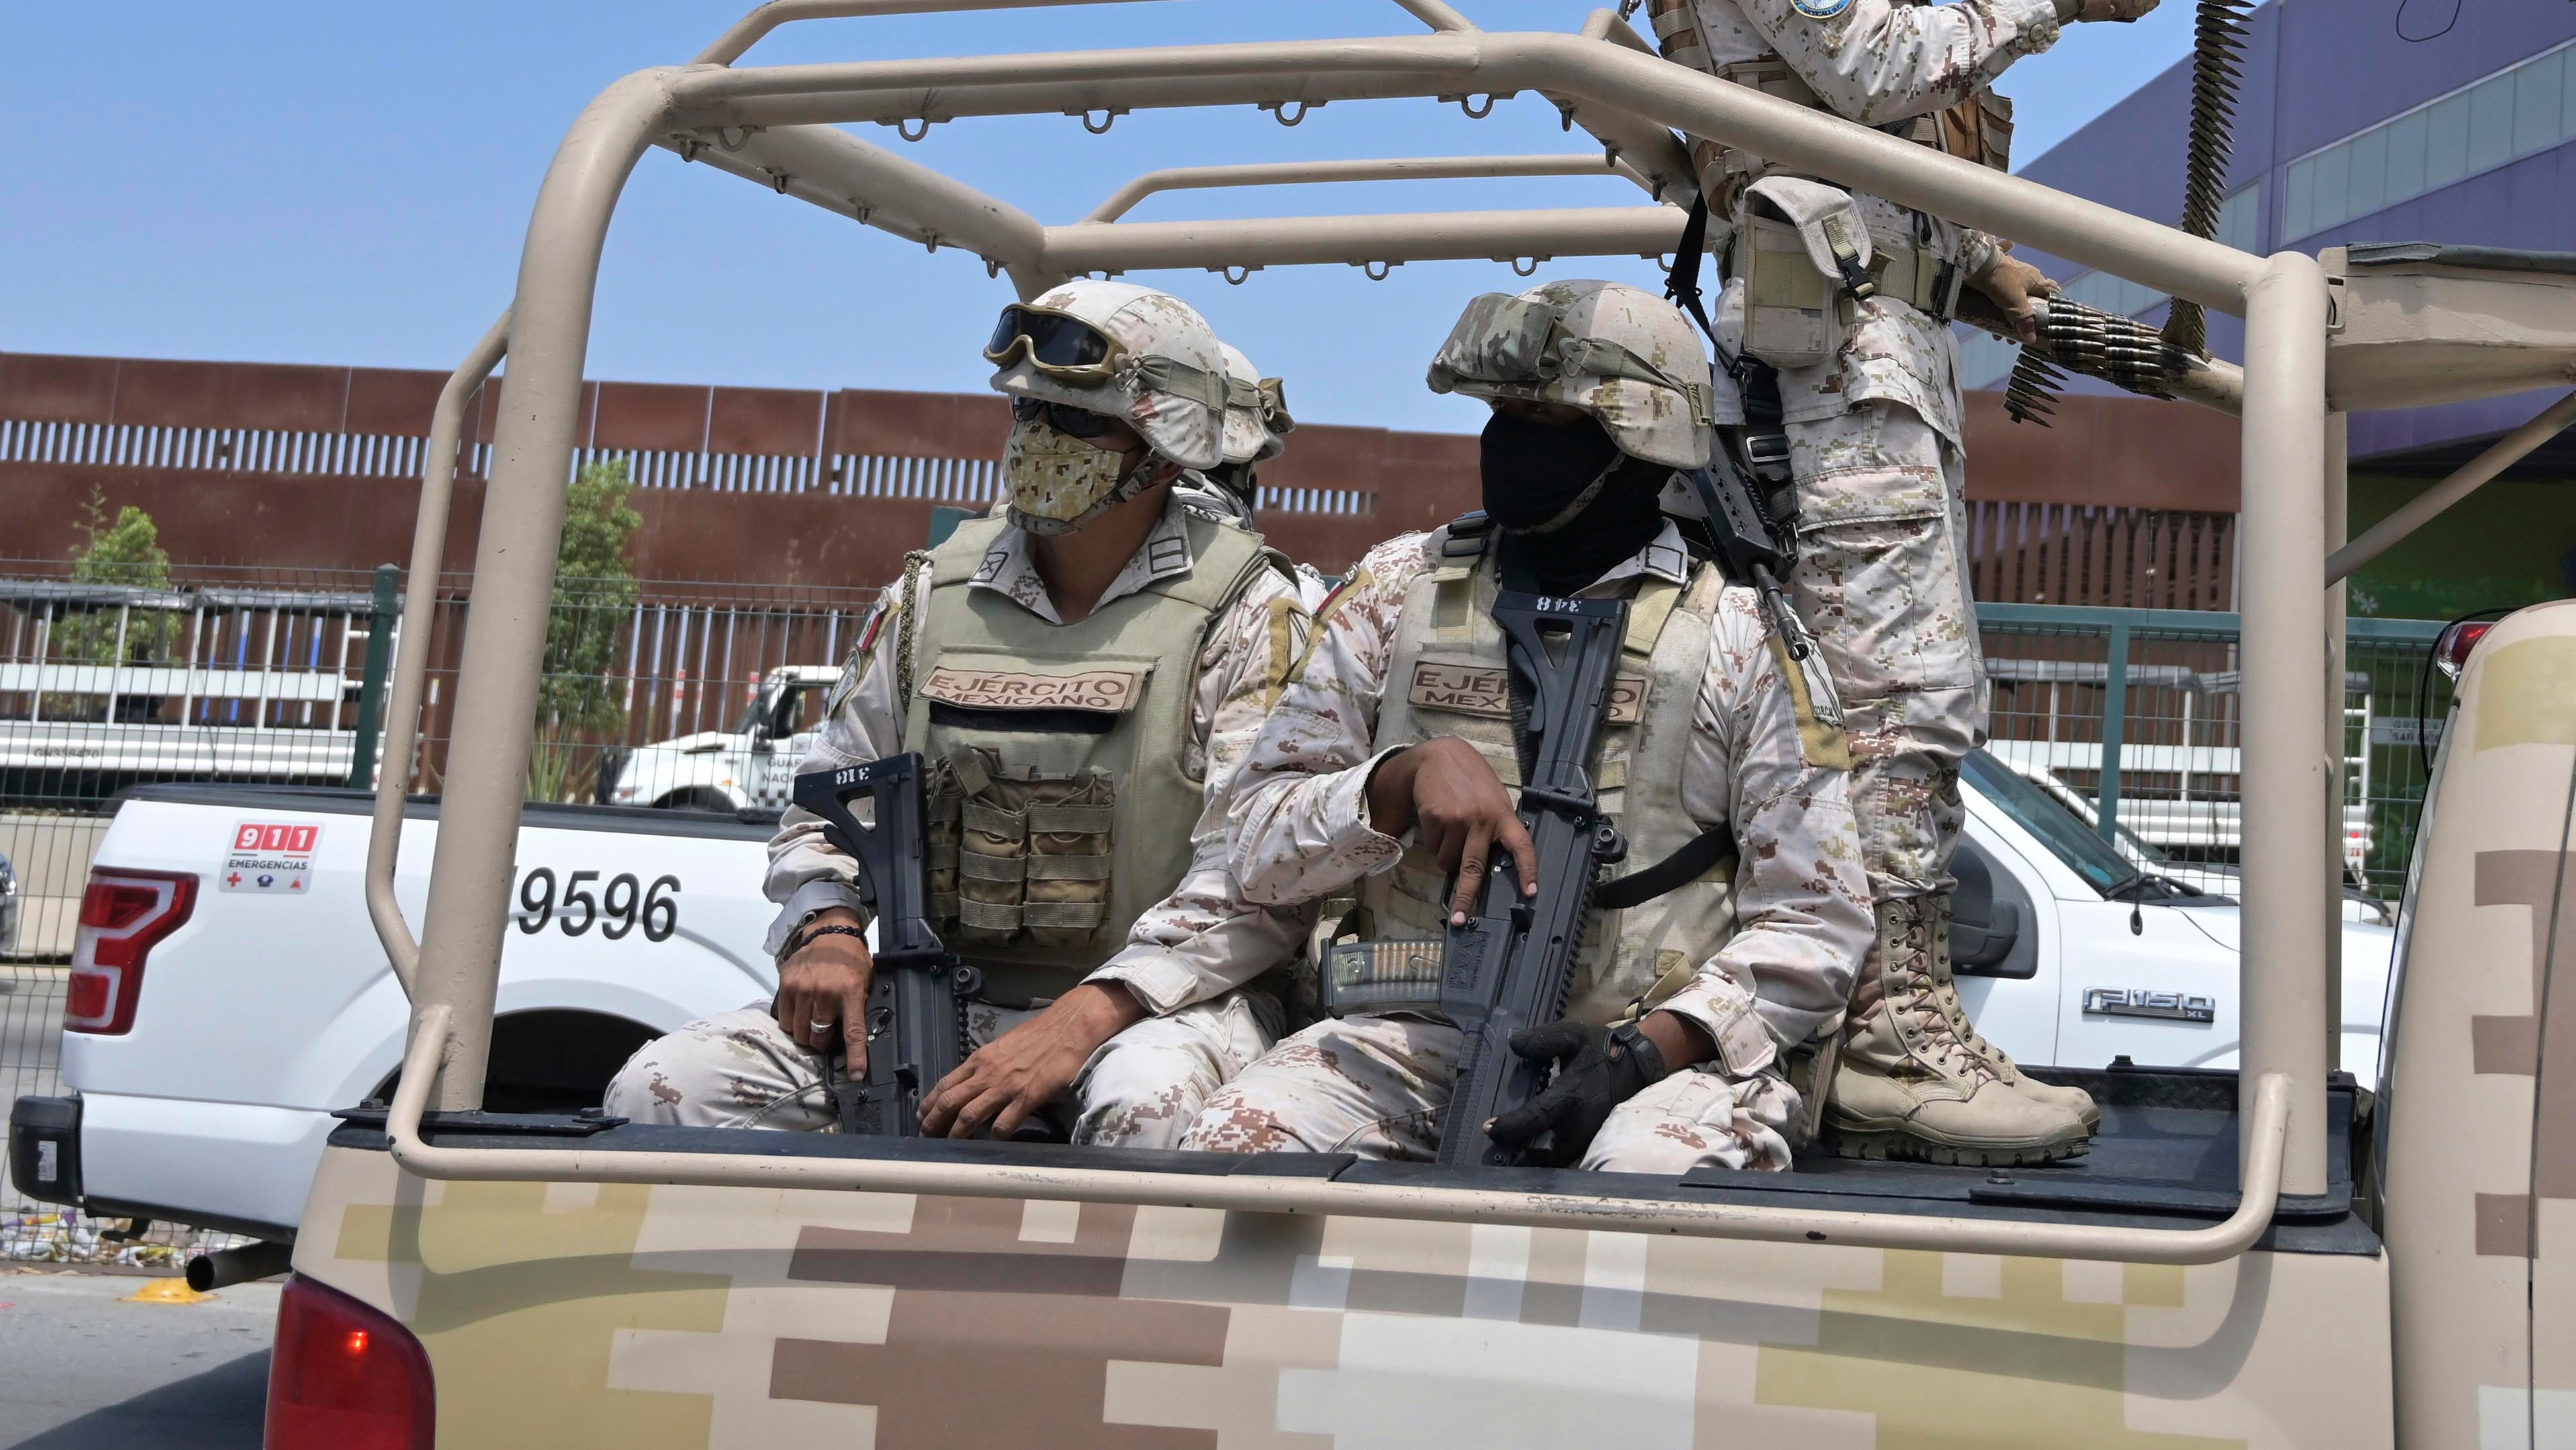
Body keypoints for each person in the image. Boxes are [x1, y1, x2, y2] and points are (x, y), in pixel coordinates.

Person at [1632, 0, 2185, 1163]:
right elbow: (1876, 74)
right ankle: (1892, 1030)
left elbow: (1863, 144)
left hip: (1882, 344)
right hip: (1834, 366)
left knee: (1894, 695)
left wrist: (1989, 273)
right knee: (1895, 703)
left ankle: (1857, 1012)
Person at [602, 283, 1325, 1144]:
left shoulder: (1251, 610)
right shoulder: (930, 594)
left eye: (1078, 422)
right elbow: (824, 807)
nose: (1040, 442)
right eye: (1028, 414)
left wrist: (1087, 1015)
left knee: (1149, 1109)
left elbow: (1261, 876)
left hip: (1160, 1008)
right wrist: (827, 927)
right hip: (935, 997)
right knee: (666, 1088)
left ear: (1164, 449)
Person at [1178, 280, 1870, 1172]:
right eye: (1501, 412)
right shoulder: (1397, 591)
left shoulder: (1738, 635)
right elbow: (1255, 848)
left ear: (1639, 441)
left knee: (1652, 1181)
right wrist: (1392, 783)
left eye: (1545, 424)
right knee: (1229, 1147)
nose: (1505, 443)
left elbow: (1818, 921)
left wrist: (1638, 1055)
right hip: (1412, 1036)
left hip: (1650, 1059)